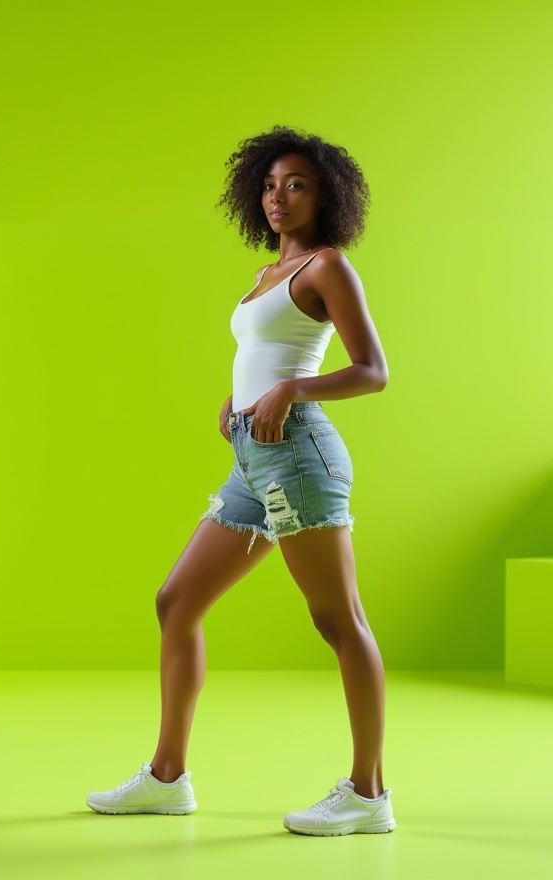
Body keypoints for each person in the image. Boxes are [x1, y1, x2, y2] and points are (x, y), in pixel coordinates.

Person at [86, 126, 394, 836]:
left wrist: (292, 392)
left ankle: (369, 794)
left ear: (325, 197)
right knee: (177, 601)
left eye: (297, 185)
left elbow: (372, 370)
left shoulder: (327, 267)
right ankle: (167, 779)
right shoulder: (266, 273)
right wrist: (242, 400)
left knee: (337, 619)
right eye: (270, 185)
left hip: (299, 455)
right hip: (253, 458)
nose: (279, 197)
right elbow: (265, 351)